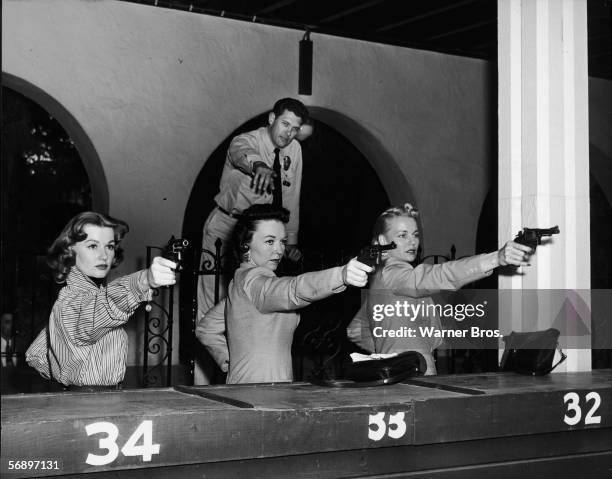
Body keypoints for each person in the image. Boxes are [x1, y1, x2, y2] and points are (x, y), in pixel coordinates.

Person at [346, 203, 533, 375]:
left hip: (397, 373)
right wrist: (495, 259)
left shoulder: (379, 279)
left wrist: (389, 354)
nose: (412, 242)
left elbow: (355, 330)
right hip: (414, 375)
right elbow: (437, 275)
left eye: (415, 234)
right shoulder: (394, 272)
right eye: (402, 235)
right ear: (382, 240)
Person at [196, 204, 372, 384]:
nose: (279, 250)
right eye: (270, 241)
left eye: (283, 242)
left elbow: (206, 328)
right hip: (259, 393)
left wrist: (231, 363)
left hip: (257, 387)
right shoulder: (253, 282)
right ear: (246, 245)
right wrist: (340, 275)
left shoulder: (241, 286)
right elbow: (292, 289)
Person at [25, 212, 176, 389]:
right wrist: (144, 280)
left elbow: (36, 355)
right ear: (69, 251)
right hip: (90, 404)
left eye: (110, 247)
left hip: (96, 399)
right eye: (92, 246)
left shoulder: (79, 297)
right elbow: (101, 308)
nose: (104, 255)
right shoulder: (72, 300)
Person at [197, 98, 309, 323]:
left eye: (295, 128)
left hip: (256, 231)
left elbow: (291, 196)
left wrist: (290, 240)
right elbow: (241, 152)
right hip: (226, 223)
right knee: (214, 291)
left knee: (250, 290)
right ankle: (206, 356)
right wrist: (259, 166)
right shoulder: (246, 140)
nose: (289, 133)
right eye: (285, 124)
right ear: (271, 119)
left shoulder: (294, 150)